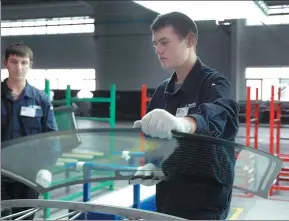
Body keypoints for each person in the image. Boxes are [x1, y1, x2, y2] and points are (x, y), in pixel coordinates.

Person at [131, 12, 240, 220]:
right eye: (155, 44)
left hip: (205, 203)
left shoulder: (214, 83)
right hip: (168, 198)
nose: (158, 50)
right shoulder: (163, 91)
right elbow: (154, 140)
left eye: (164, 42)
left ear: (190, 40)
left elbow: (223, 116)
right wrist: (152, 164)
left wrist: (186, 124)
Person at [1, 42, 59, 220]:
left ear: (30, 65)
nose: (19, 67)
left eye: (24, 62)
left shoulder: (40, 99)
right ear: (6, 63)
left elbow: (51, 137)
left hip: (28, 174)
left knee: (24, 217)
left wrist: (46, 167)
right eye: (14, 62)